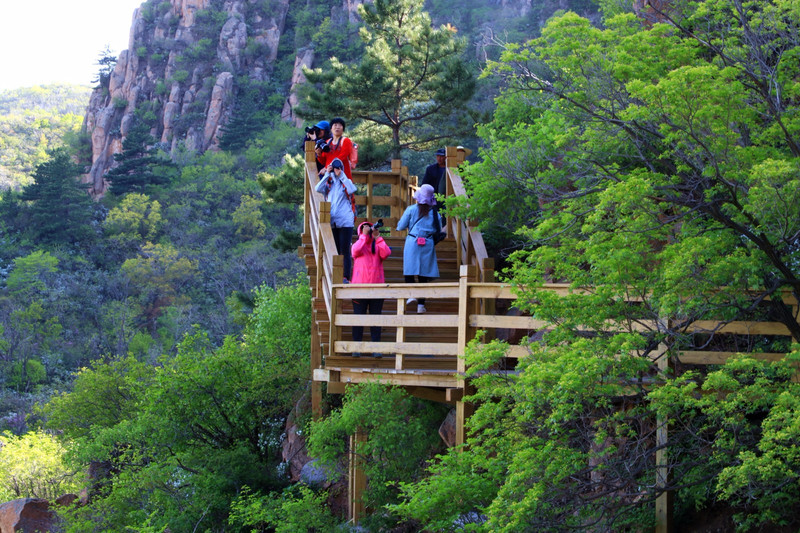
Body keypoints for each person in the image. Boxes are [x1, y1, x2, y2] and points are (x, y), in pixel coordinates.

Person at [350, 220, 391, 357]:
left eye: (368, 227)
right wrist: (364, 235)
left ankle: (376, 348)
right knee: (358, 319)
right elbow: (354, 251)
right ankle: (356, 347)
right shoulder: (358, 245)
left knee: (376, 319)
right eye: (365, 227)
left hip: (377, 288)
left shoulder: (377, 245)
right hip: (359, 289)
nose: (368, 229)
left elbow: (386, 253)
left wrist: (377, 237)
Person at [397, 184, 440, 314]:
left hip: (413, 241)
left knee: (409, 270)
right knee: (423, 274)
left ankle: (411, 295)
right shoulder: (435, 213)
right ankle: (421, 305)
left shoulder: (411, 209)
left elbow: (400, 226)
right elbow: (438, 228)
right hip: (427, 242)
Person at [315, 158, 357, 281]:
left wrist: (342, 175)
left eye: (338, 167)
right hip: (332, 220)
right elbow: (317, 188)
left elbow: (352, 189)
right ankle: (336, 275)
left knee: (345, 250)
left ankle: (346, 277)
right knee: (335, 249)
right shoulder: (328, 182)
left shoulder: (345, 181)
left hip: (345, 220)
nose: (336, 170)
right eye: (335, 167)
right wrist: (327, 173)